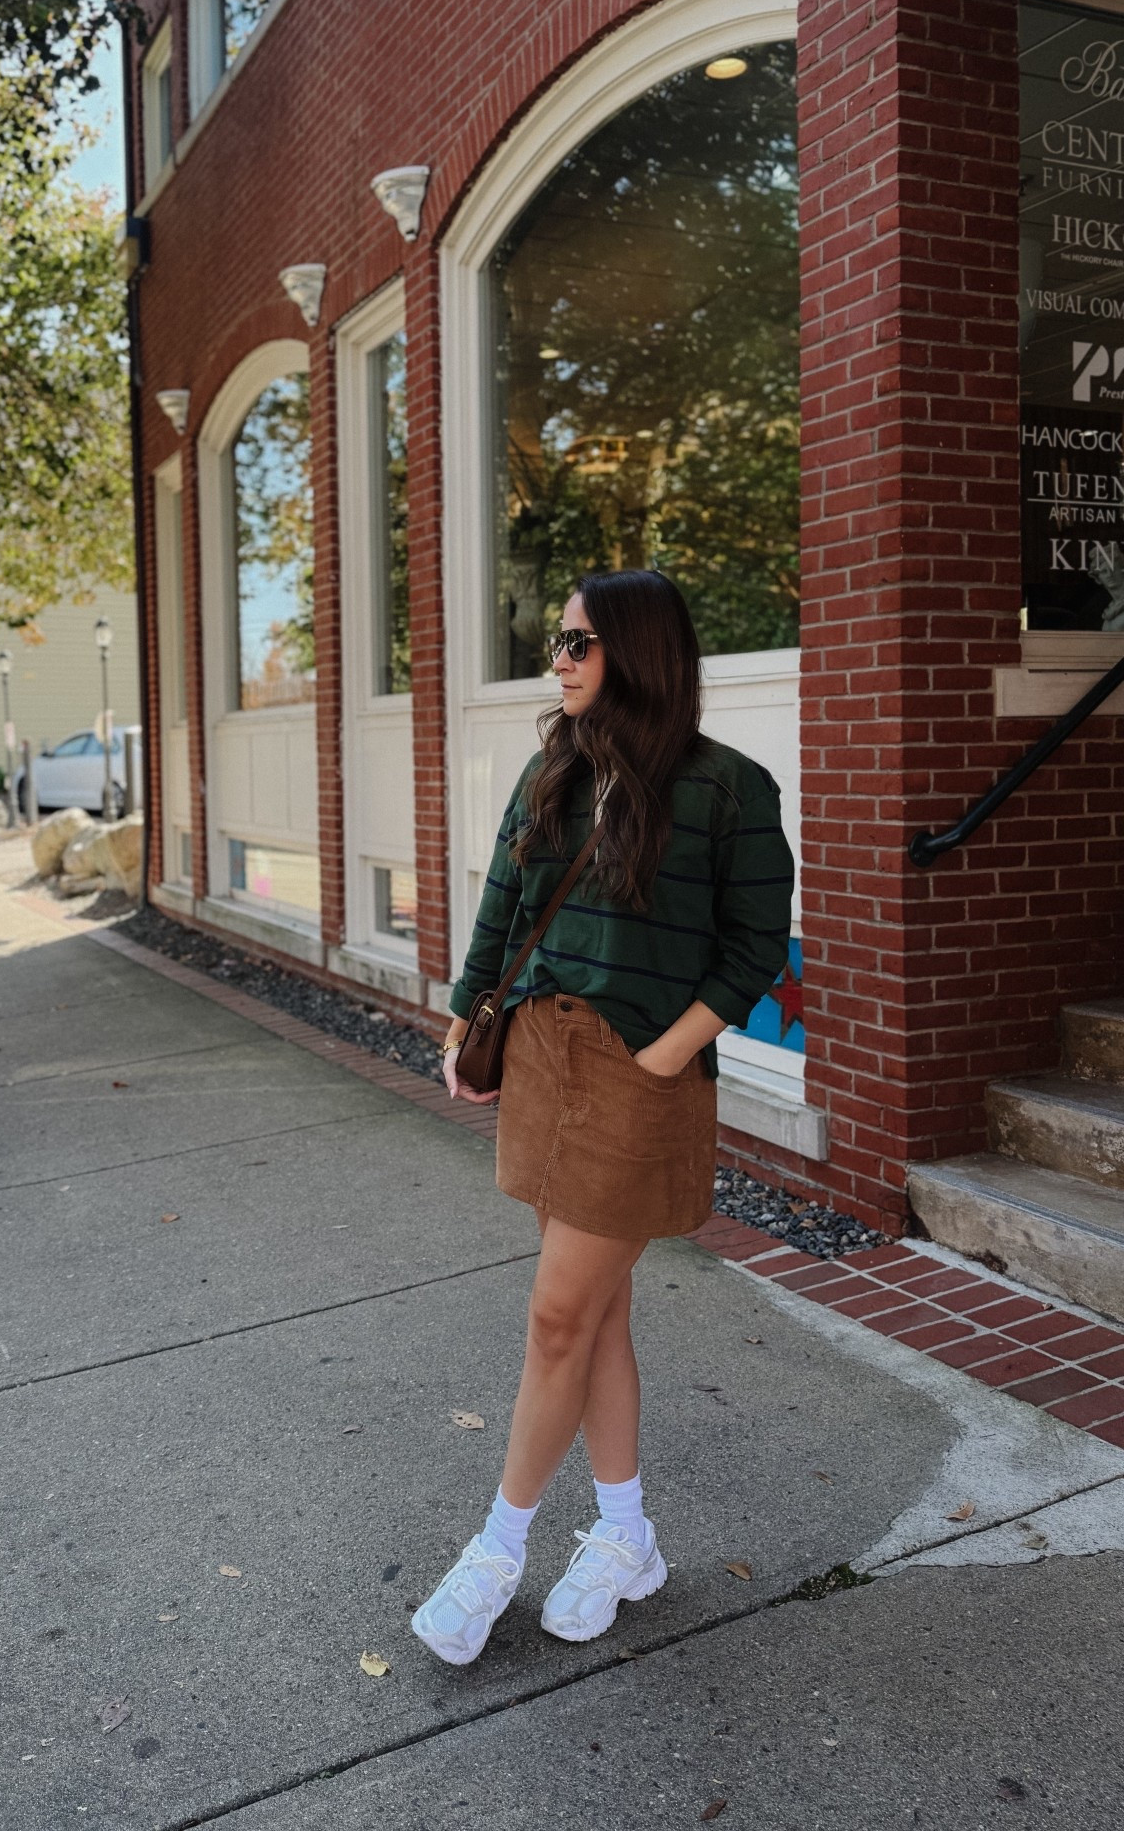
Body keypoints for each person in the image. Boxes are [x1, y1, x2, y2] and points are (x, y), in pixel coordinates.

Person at [410, 569, 794, 1666]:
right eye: (557, 642)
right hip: (541, 1055)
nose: (559, 660)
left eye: (578, 642)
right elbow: (502, 905)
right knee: (597, 1315)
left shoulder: (729, 787)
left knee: (556, 1322)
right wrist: (462, 1025)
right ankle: (627, 1537)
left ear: (636, 648)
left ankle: (498, 1548)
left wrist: (664, 1054)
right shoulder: (555, 770)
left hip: (636, 1078)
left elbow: (755, 946)